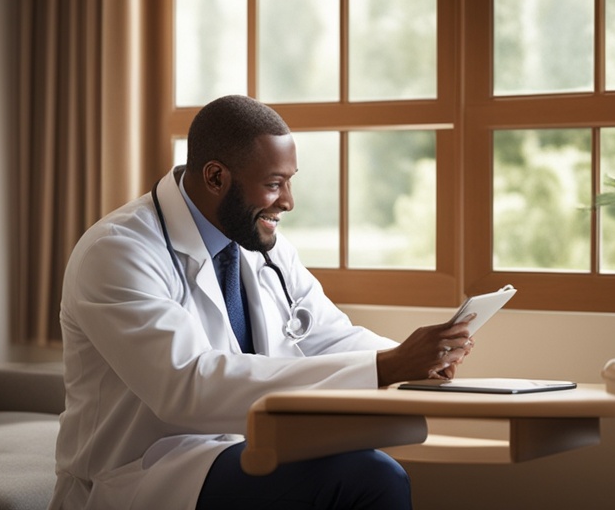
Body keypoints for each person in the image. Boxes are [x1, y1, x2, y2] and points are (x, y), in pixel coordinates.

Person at [49, 95, 476, 510]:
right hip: (146, 471)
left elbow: (328, 336)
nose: (288, 201)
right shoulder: (118, 251)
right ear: (216, 177)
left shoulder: (262, 245)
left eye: (289, 182)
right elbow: (189, 386)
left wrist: (417, 364)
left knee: (371, 468)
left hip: (248, 447)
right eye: (274, 184)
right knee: (370, 478)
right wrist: (388, 366)